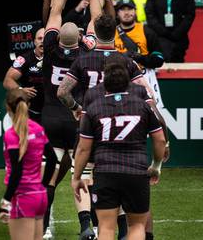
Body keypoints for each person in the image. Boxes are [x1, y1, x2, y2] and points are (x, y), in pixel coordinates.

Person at [71, 60, 166, 240]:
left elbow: (84, 148)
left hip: (105, 172)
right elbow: (160, 139)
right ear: (129, 82)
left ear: (105, 83)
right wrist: (156, 165)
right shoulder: (143, 105)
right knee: (137, 226)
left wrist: (77, 177)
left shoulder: (94, 107)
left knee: (106, 228)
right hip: (136, 171)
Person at [39, 0, 97, 240]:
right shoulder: (86, 54)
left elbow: (55, 12)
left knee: (49, 177)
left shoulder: (49, 47)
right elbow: (97, 20)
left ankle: (44, 227)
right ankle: (86, 224)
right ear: (80, 40)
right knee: (81, 173)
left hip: (50, 117)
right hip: (77, 118)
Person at [0, 89, 56, 240]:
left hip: (22, 197)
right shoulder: (38, 129)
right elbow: (52, 159)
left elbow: (16, 171)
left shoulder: (11, 134)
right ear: (28, 105)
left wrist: (6, 200)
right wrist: (43, 185)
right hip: (39, 196)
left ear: (8, 107)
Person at [112, 0, 165, 102]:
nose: (126, 13)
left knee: (150, 113)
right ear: (117, 13)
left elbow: (159, 59)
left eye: (130, 9)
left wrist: (140, 57)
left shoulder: (146, 31)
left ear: (135, 11)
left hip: (144, 76)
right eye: (122, 9)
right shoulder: (111, 33)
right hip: (118, 79)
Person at [3, 27, 45, 122]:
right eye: (39, 38)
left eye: (45, 38)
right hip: (30, 111)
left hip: (51, 111)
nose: (42, 41)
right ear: (34, 42)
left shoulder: (55, 58)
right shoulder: (24, 59)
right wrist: (21, 90)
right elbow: (7, 81)